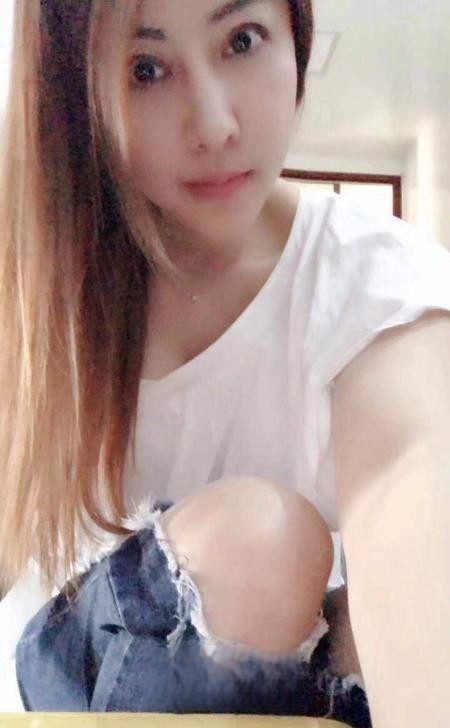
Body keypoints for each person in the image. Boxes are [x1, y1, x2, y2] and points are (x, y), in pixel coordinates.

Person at [0, 0, 449, 724]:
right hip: (67, 682)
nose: (214, 124)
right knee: (263, 545)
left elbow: (419, 492)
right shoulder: (35, 288)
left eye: (242, 40)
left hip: (290, 682)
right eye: (146, 69)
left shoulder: (382, 292)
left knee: (353, 617)